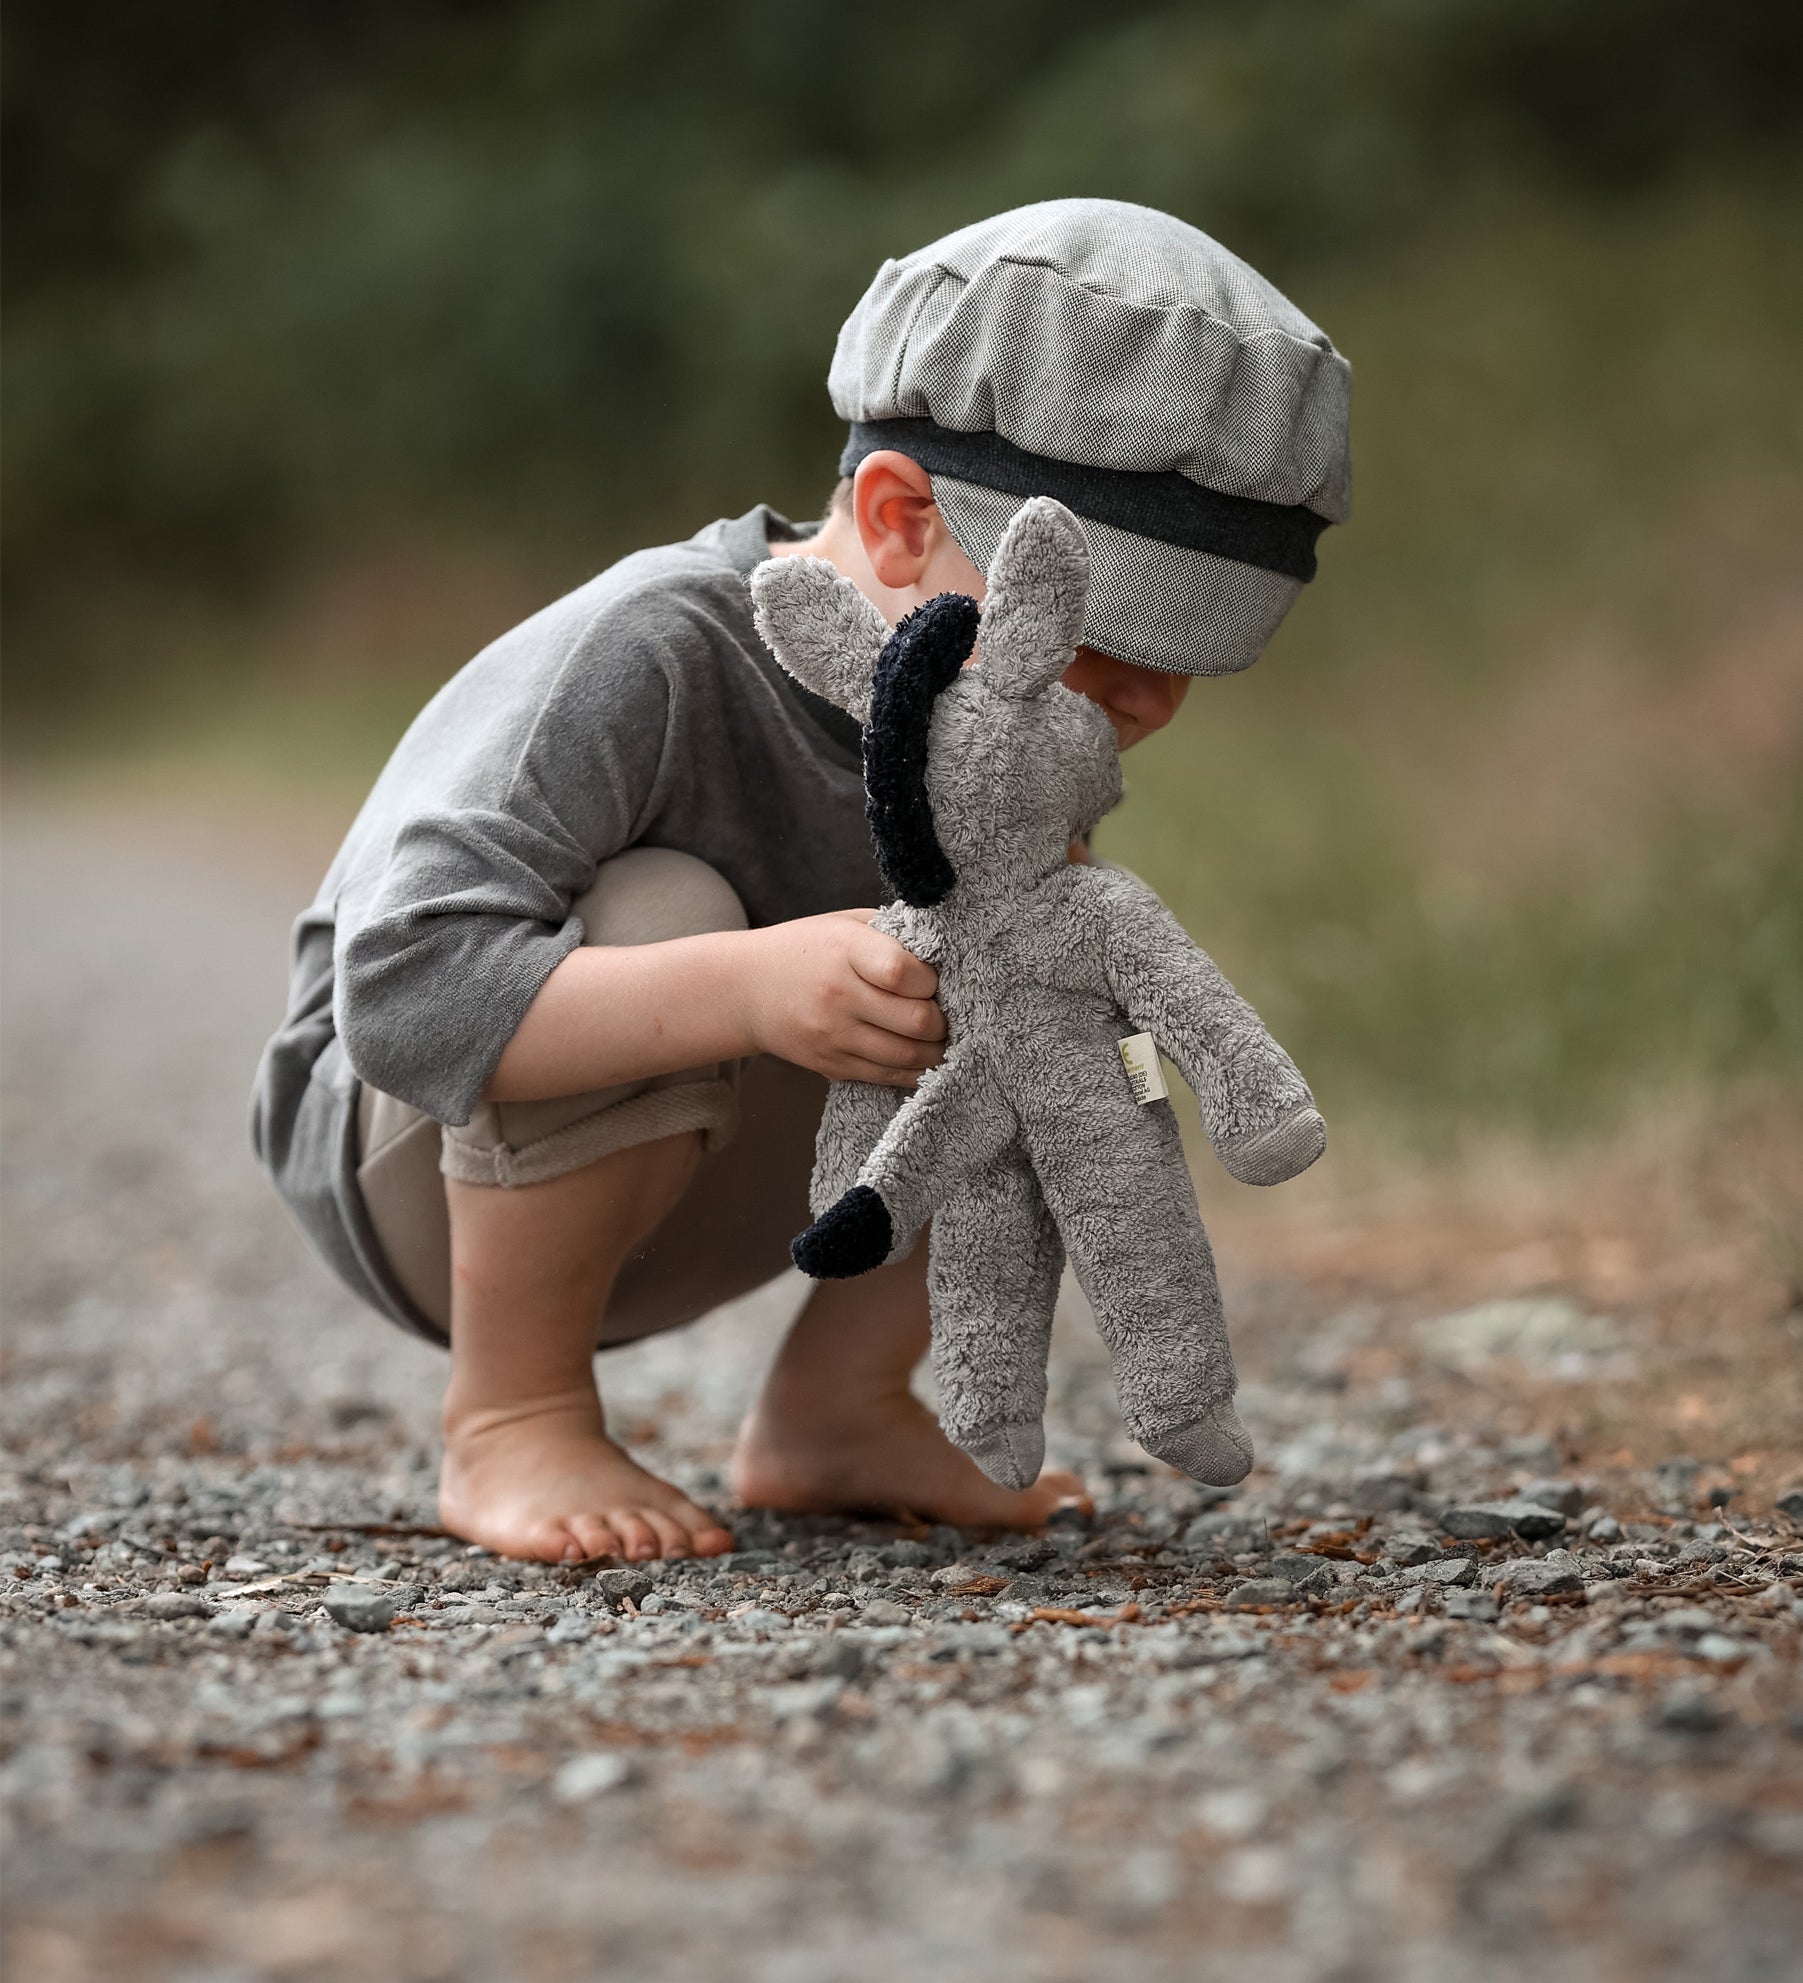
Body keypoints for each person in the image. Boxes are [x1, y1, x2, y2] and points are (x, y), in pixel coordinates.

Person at [252, 198, 1352, 1565]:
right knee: (665, 907)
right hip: (419, 1156)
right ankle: (512, 1413)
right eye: (1100, 631)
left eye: (1193, 653)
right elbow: (405, 997)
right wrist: (745, 987)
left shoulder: (997, 741)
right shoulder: (648, 652)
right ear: (897, 521)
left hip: (713, 1177)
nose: (1152, 700)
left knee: (1042, 969)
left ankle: (840, 1411)